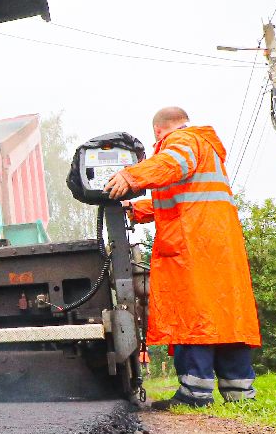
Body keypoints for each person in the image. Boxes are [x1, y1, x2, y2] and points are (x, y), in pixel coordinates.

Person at [103, 106, 261, 406]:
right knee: (227, 316)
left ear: (159, 132)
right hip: (216, 244)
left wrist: (130, 175)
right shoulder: (204, 149)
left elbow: (171, 164)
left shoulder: (184, 142)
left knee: (191, 314)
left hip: (194, 246)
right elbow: (179, 201)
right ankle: (239, 392)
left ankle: (195, 394)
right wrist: (137, 210)